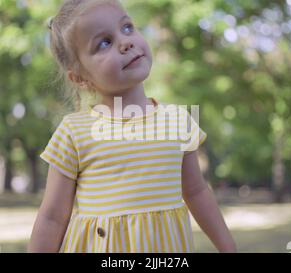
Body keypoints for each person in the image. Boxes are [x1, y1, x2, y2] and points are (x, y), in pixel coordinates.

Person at [28, 0, 236, 253]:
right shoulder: (75, 131)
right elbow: (52, 217)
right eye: (104, 42)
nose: (125, 42)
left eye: (127, 28)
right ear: (79, 77)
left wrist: (228, 248)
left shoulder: (178, 121)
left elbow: (196, 192)